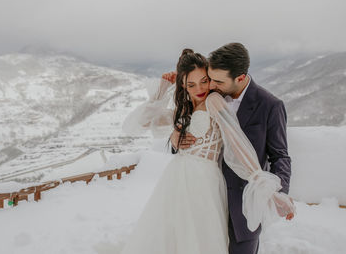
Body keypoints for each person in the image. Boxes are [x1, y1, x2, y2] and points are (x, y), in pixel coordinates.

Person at [122, 48, 295, 254]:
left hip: (207, 183)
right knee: (173, 237)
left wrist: (269, 188)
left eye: (205, 81)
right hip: (177, 180)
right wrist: (162, 90)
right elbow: (142, 122)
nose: (203, 88)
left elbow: (238, 144)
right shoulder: (182, 108)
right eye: (191, 84)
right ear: (183, 86)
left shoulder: (215, 101)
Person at [170, 43, 293, 254]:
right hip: (205, 196)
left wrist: (276, 193)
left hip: (242, 204)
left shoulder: (270, 105)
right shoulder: (208, 96)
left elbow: (280, 155)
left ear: (240, 78)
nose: (211, 85)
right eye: (210, 79)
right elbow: (191, 127)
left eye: (217, 81)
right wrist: (175, 137)